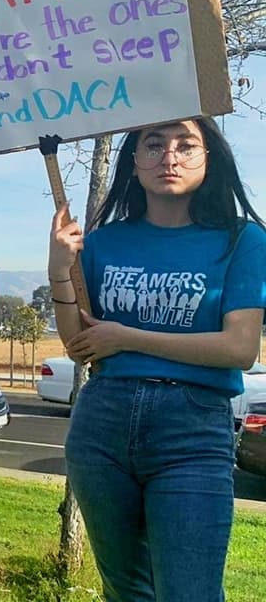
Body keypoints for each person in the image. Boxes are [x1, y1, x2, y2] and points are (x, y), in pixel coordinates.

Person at [49, 117, 266, 601]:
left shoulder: (243, 240)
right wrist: (59, 268)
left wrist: (128, 338)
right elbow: (79, 345)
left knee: (190, 592)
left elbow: (239, 348)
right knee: (126, 589)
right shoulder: (102, 243)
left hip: (193, 431)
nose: (169, 157)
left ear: (210, 158)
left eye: (186, 145)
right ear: (133, 161)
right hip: (102, 425)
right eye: (153, 145)